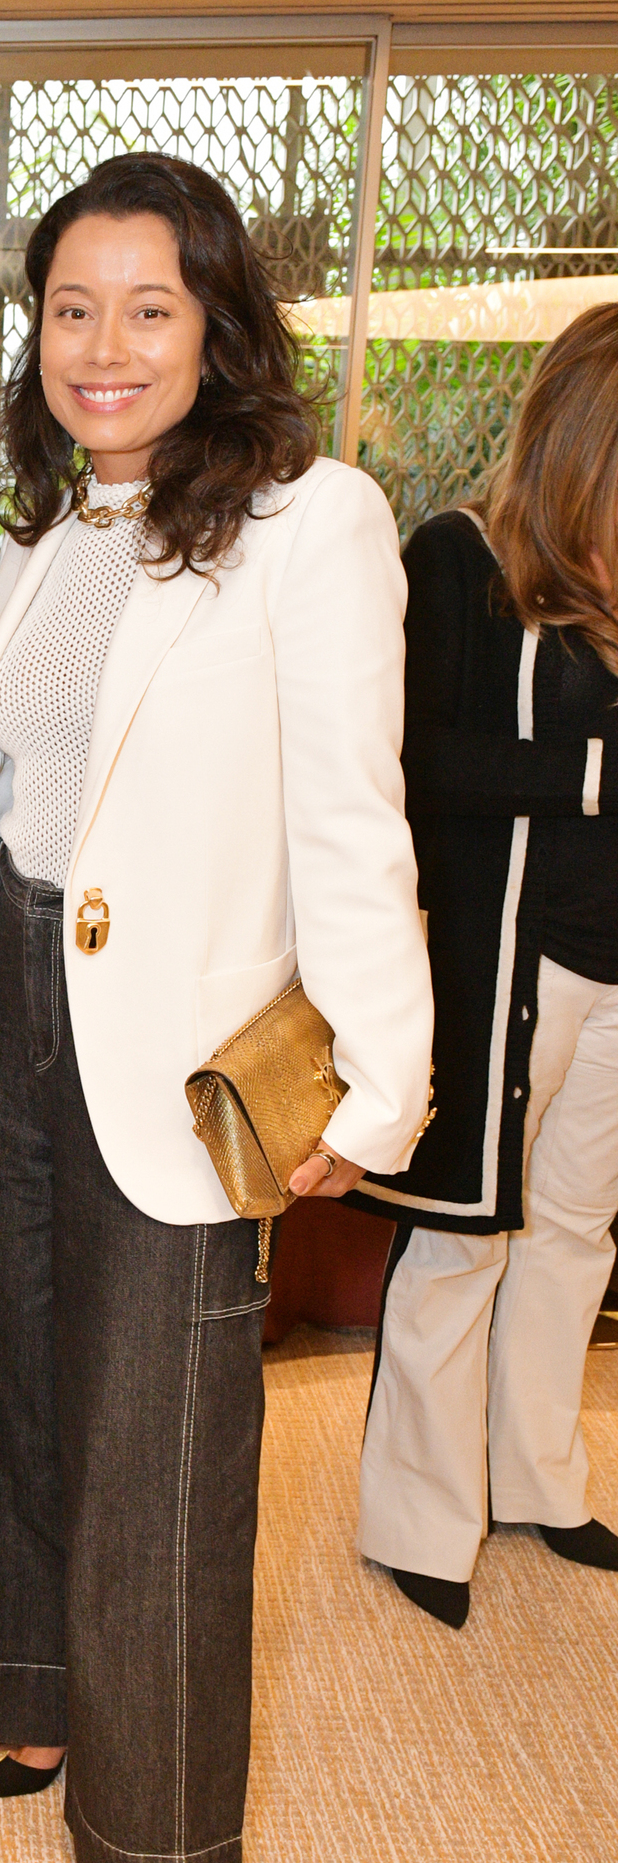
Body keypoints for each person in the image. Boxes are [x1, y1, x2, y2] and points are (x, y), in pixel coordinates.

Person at [0, 153, 433, 1863]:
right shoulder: (48, 534)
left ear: (217, 326)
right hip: (7, 1015)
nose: (104, 345)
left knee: (164, 1469)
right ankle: (32, 1698)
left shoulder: (316, 522)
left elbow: (354, 823)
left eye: (148, 307)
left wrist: (378, 1082)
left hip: (185, 1057)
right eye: (70, 308)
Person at [354, 305, 618, 1629]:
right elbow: (403, 765)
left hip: (615, 978)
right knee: (461, 1244)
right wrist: (583, 775)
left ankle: (541, 1479)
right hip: (501, 962)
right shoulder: (457, 560)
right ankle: (417, 1517)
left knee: (573, 1237)